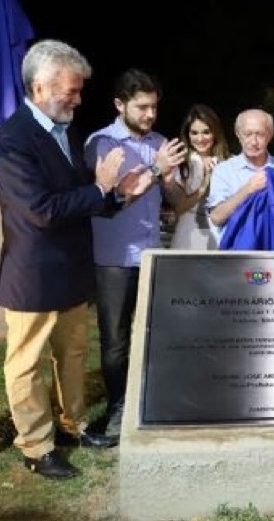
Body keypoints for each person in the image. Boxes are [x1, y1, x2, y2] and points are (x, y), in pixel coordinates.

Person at [0, 39, 150, 480]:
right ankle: (36, 445)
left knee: (74, 353)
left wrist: (118, 194)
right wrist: (100, 189)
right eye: (72, 90)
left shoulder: (64, 130)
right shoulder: (11, 140)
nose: (79, 99)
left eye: (80, 90)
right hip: (33, 275)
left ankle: (74, 424)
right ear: (40, 87)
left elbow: (80, 198)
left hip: (71, 269)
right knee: (25, 364)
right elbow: (41, 210)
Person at [84, 69, 187, 438]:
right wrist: (156, 168)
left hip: (152, 253)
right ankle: (118, 408)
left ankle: (152, 401)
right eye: (142, 107)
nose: (149, 115)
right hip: (114, 256)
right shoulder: (102, 143)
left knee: (155, 334)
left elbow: (176, 201)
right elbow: (115, 198)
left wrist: (173, 180)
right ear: (119, 105)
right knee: (115, 340)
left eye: (154, 108)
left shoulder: (160, 142)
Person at [207, 108, 274, 240]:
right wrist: (247, 190)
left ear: (270, 135)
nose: (254, 141)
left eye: (260, 134)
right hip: (236, 253)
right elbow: (216, 217)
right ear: (238, 135)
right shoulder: (223, 170)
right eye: (248, 134)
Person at [170, 103, 230, 250]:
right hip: (188, 233)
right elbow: (179, 208)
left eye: (206, 132)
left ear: (215, 133)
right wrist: (204, 184)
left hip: (221, 233)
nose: (200, 138)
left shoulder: (229, 163)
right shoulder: (180, 163)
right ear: (187, 134)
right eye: (194, 133)